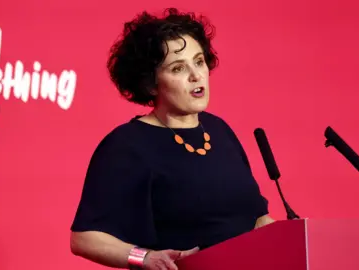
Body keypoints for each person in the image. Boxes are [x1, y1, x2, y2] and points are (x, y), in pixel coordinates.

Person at [70, 7, 275, 270]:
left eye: (199, 61)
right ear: (150, 84)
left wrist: (291, 239)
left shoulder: (220, 131)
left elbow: (258, 218)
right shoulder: (126, 146)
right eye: (178, 68)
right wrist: (144, 257)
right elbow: (84, 238)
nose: (196, 75)